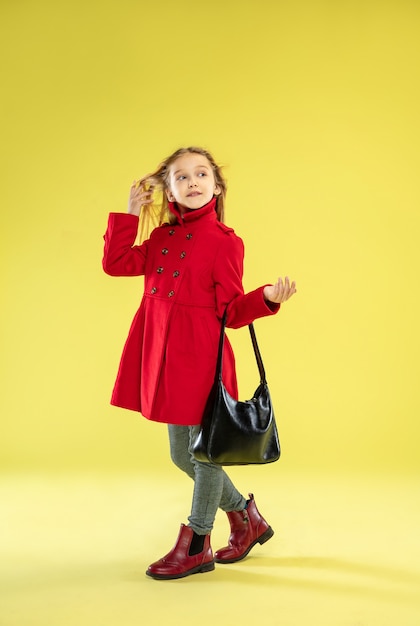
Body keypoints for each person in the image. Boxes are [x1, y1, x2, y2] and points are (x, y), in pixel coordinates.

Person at [102, 146, 297, 580]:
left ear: (216, 185)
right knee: (181, 454)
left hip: (201, 357)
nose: (193, 182)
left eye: (201, 174)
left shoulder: (225, 242)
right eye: (182, 176)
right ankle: (248, 518)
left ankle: (196, 543)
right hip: (161, 356)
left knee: (205, 454)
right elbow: (115, 264)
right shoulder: (159, 239)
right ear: (168, 189)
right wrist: (132, 213)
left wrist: (264, 299)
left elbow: (230, 311)